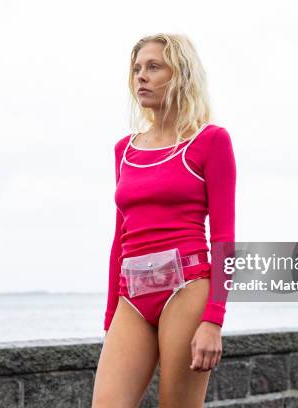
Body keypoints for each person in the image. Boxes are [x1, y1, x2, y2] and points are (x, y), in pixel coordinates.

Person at [92, 33, 236, 408]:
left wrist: (214, 320)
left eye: (154, 67)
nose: (141, 76)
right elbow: (118, 240)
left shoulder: (210, 141)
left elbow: (224, 239)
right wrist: (110, 318)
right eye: (137, 69)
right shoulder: (124, 150)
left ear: (181, 75)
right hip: (132, 296)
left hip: (186, 290)